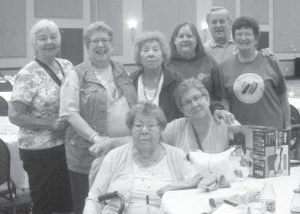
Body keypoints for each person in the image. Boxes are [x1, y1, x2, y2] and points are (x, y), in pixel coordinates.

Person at [59, 21, 137, 214]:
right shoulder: (76, 74)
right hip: (87, 153)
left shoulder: (121, 70)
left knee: (116, 202)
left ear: (112, 45)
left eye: (105, 40)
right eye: (95, 41)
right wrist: (96, 138)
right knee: (87, 203)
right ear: (87, 46)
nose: (101, 45)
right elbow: (69, 113)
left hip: (121, 150)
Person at [83, 102, 216, 214]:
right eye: (138, 126)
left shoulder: (177, 156)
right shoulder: (114, 156)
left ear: (161, 129)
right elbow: (94, 198)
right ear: (130, 129)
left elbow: (196, 191)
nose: (144, 130)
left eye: (151, 125)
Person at [8, 19, 73, 214]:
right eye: (42, 38)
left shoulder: (67, 66)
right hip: (39, 151)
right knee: (44, 203)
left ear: (59, 40)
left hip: (66, 145)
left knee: (66, 201)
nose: (49, 42)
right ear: (34, 44)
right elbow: (15, 115)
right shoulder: (28, 74)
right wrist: (50, 124)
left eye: (53, 37)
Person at [217, 16, 290, 129]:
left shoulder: (270, 61)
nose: (243, 38)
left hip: (272, 129)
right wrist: (226, 122)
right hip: (241, 130)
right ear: (234, 38)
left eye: (247, 34)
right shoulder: (224, 67)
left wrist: (288, 126)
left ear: (256, 38)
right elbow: (225, 100)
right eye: (239, 34)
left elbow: (283, 97)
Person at [163, 78, 231, 154]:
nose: (194, 105)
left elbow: (243, 160)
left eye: (197, 98)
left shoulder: (228, 124)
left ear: (207, 99)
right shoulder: (175, 129)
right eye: (187, 102)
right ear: (182, 110)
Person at [130, 31, 182, 122]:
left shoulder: (176, 80)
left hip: (169, 133)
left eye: (155, 49)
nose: (151, 54)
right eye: (145, 50)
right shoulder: (130, 81)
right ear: (139, 57)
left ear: (163, 56)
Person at [168, 22, 218, 99]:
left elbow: (221, 96)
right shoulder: (167, 65)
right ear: (174, 41)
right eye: (181, 36)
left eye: (189, 36)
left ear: (197, 40)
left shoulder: (209, 62)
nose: (185, 39)